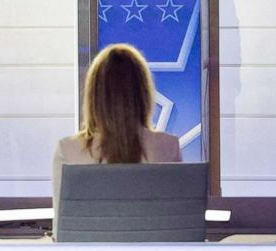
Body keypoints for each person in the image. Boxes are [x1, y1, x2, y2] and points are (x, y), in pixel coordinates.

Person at [51, 43, 181, 239]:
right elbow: (177, 232)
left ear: (94, 95)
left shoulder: (68, 150)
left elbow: (62, 233)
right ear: (143, 93)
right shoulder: (167, 147)